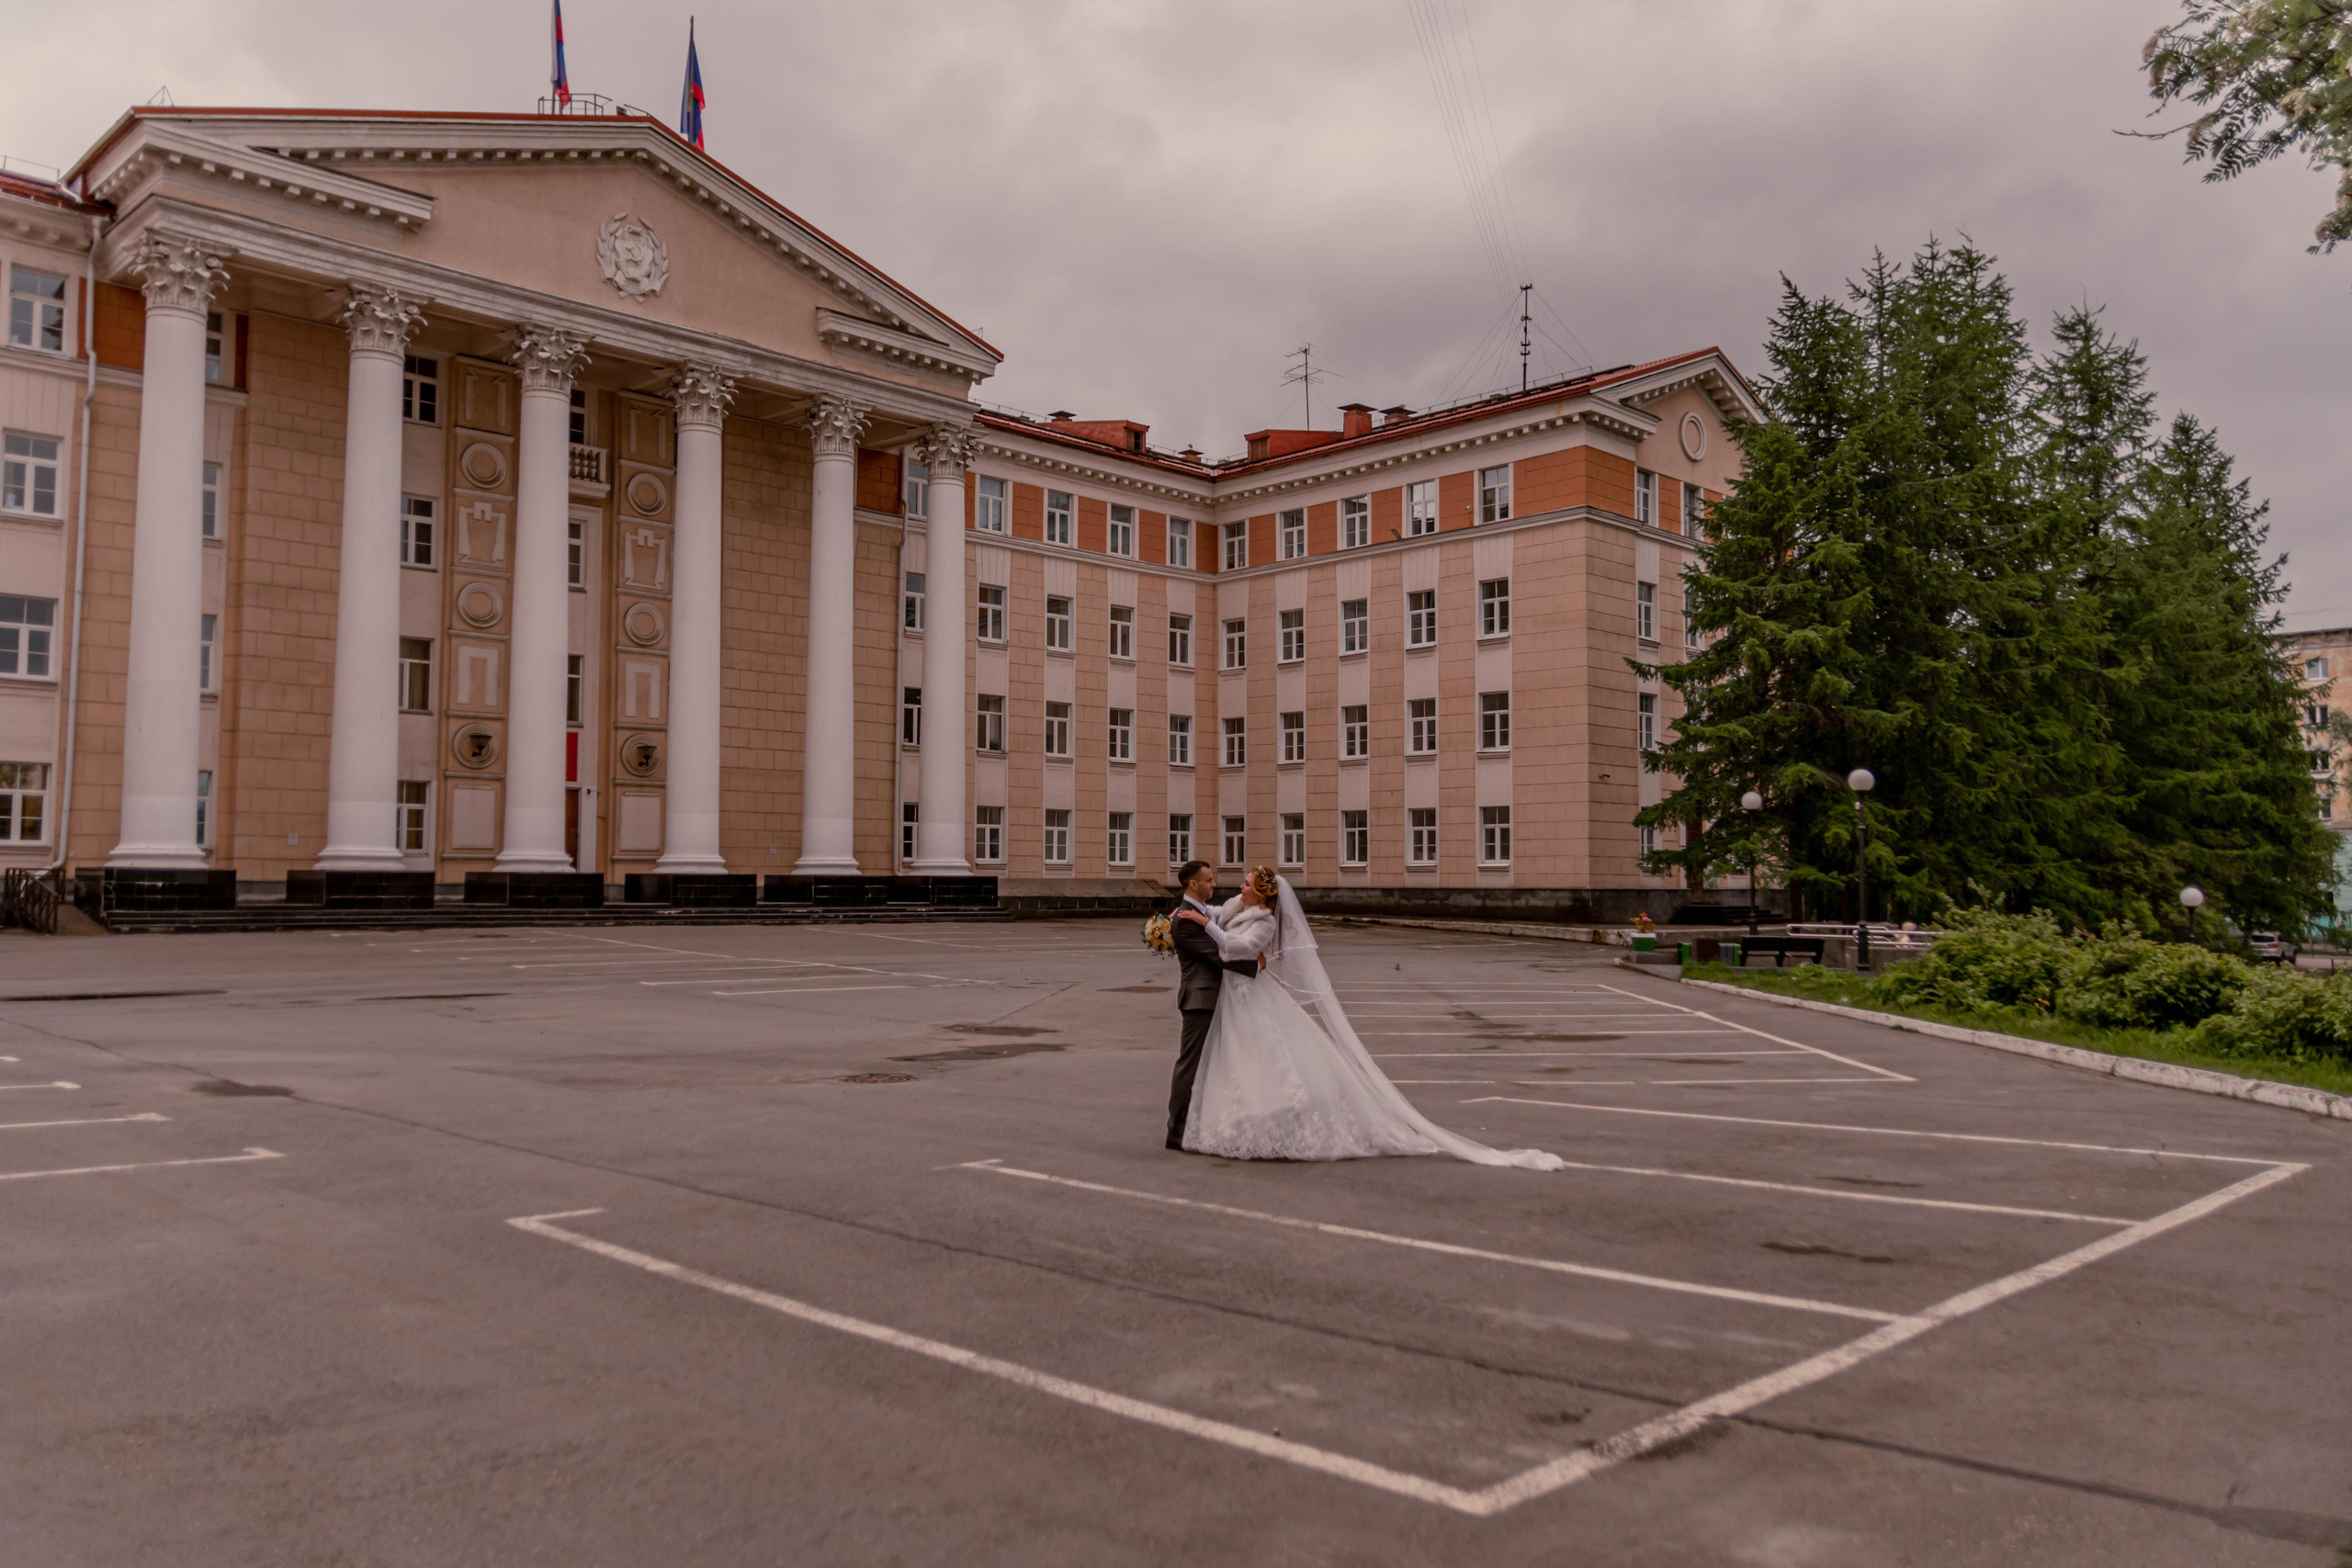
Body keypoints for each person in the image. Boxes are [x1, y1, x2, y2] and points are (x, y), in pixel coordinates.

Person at [1172, 867, 1564, 1169]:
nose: (1237, 887)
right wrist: (1194, 913)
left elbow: (1237, 948)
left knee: (1268, 1055)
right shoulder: (1240, 906)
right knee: (1239, 1059)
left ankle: (1280, 1120)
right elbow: (1217, 911)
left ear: (1261, 892)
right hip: (1235, 996)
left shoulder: (1266, 921)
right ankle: (1243, 1118)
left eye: (1245, 884)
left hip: (1250, 994)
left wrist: (1205, 925)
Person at [1165, 859, 1257, 1151]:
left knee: (1211, 1065)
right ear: (1194, 884)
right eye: (1208, 880)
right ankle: (1176, 1133)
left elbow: (1221, 915)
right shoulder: (1185, 920)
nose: (1214, 883)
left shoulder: (1198, 911)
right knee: (1190, 1066)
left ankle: (1197, 1126)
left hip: (1212, 997)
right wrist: (1255, 965)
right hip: (1200, 999)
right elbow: (1217, 956)